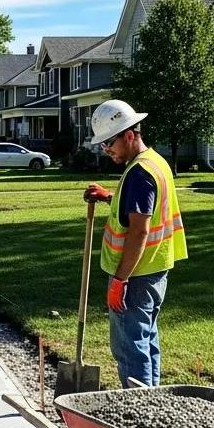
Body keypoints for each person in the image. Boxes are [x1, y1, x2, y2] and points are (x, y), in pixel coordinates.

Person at [84, 99, 187, 388]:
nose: (107, 151)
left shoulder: (140, 174)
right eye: (102, 145)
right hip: (156, 269)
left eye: (109, 143)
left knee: (130, 349)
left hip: (136, 276)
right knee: (146, 340)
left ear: (129, 135)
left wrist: (120, 280)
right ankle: (152, 404)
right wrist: (109, 197)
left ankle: (137, 416)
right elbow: (141, 212)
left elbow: (139, 232)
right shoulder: (155, 162)